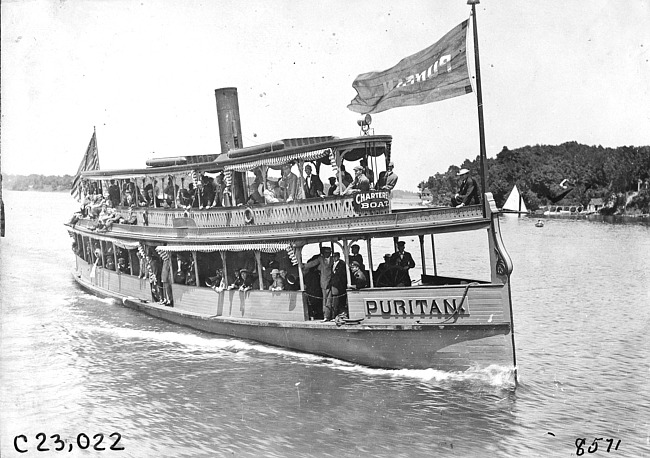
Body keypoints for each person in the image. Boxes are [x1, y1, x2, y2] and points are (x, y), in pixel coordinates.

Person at [302, 246, 334, 321]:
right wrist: (303, 266)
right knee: (325, 300)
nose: (328, 254)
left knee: (331, 300)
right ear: (323, 253)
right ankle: (325, 316)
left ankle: (331, 316)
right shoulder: (320, 259)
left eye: (329, 252)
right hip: (324, 283)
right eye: (326, 253)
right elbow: (312, 263)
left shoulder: (333, 259)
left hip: (332, 282)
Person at [330, 252, 348, 317]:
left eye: (335, 256)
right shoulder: (333, 265)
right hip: (334, 285)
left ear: (338, 257)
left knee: (340, 300)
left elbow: (342, 275)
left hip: (340, 286)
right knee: (335, 301)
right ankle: (335, 314)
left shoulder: (342, 264)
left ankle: (341, 313)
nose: (334, 258)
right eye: (333, 257)